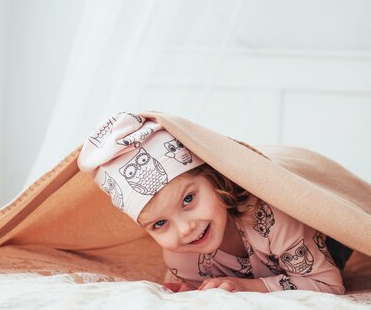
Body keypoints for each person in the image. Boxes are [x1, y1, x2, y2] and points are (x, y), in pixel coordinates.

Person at [78, 112, 350, 294]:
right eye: (160, 223)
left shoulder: (270, 215)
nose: (184, 229)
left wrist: (246, 287)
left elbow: (327, 283)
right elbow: (204, 289)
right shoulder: (181, 256)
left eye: (188, 199)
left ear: (214, 180)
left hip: (321, 213)